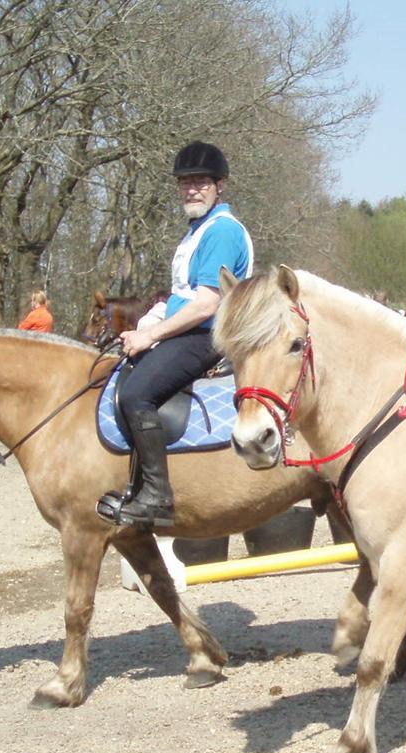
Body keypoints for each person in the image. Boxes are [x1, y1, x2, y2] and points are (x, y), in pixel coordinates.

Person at [97, 141, 254, 529]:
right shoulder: (196, 233)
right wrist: (148, 322)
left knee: (136, 394)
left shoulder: (221, 232)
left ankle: (157, 496)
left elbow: (206, 305)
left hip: (207, 337)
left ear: (221, 186)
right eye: (185, 183)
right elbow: (183, 296)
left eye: (200, 182)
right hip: (185, 331)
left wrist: (151, 337)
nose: (191, 189)